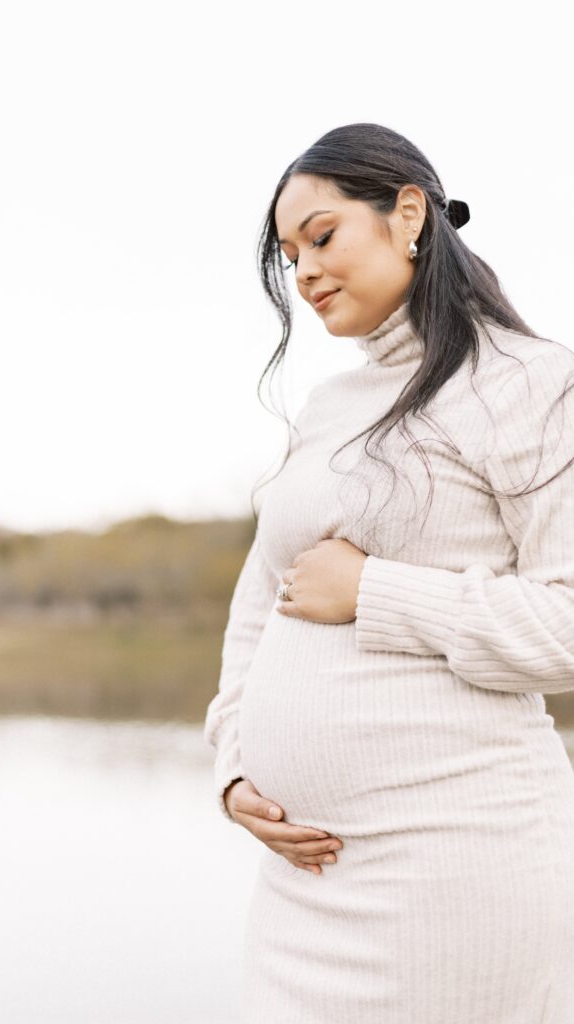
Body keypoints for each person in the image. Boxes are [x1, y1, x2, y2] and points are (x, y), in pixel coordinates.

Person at [202, 122, 574, 1023]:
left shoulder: (530, 383)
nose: (305, 273)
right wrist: (234, 765)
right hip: (303, 888)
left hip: (457, 872)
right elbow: (262, 604)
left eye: (321, 237)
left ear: (407, 214)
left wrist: (376, 593)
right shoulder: (329, 409)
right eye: (290, 256)